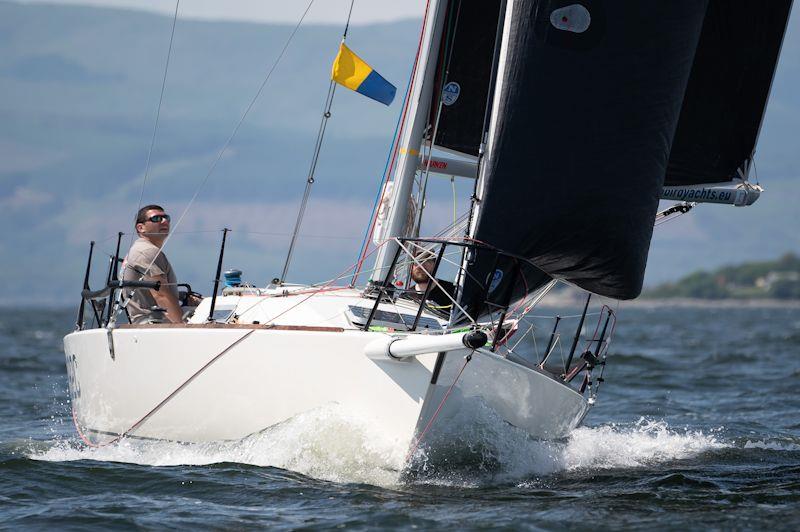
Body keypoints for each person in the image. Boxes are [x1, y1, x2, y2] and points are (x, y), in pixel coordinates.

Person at [122, 204, 188, 324]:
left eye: (166, 218)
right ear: (141, 228)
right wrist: (182, 327)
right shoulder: (146, 251)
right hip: (154, 322)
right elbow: (161, 295)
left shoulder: (141, 248)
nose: (164, 221)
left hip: (150, 320)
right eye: (156, 219)